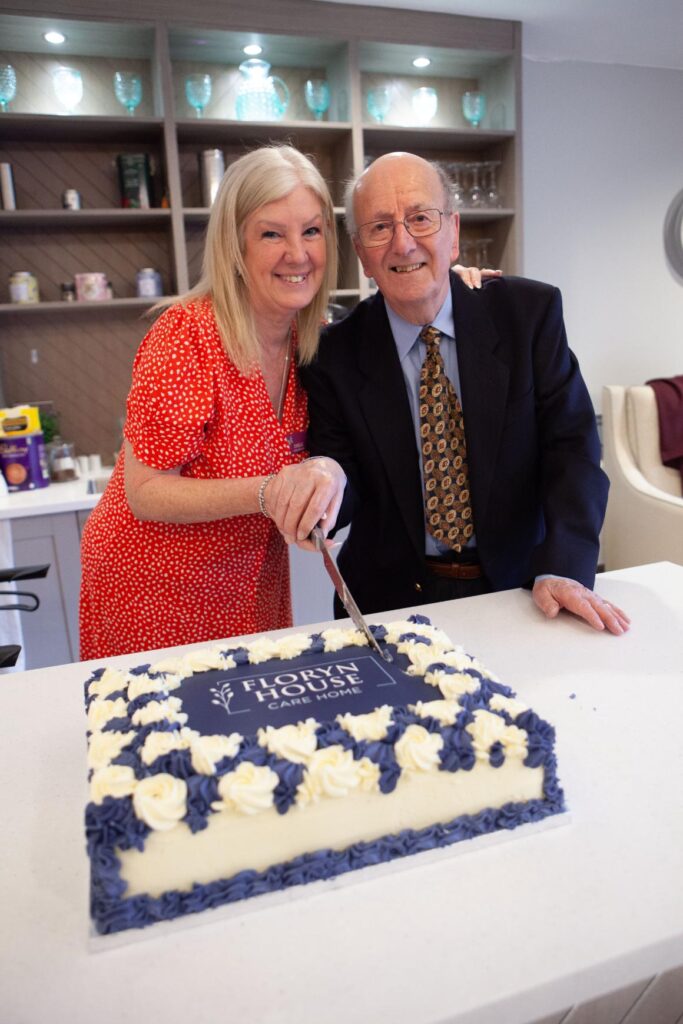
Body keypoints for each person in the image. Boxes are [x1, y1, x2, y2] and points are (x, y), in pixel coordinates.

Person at [273, 151, 629, 635]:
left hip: (527, 590)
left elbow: (573, 449)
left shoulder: (528, 314)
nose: (403, 243)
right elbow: (345, 475)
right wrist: (325, 483)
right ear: (360, 253)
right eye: (380, 227)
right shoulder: (334, 353)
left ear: (453, 232)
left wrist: (563, 565)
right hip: (388, 605)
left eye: (421, 218)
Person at [79, 145, 347, 659]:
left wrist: (453, 285)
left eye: (311, 231)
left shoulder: (310, 342)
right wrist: (271, 493)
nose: (298, 253)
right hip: (151, 591)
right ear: (234, 246)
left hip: (248, 588)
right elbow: (147, 491)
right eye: (272, 233)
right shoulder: (187, 336)